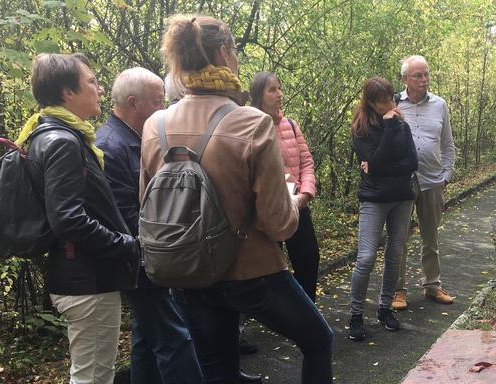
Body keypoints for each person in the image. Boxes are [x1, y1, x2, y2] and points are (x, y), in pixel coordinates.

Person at [140, 15, 333, 383]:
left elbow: (147, 205)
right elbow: (278, 224)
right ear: (224, 52)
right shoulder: (251, 123)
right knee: (317, 340)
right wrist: (293, 199)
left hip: (189, 272)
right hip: (251, 273)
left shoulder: (156, 125)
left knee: (217, 368)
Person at [18, 53, 140, 384]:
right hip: (86, 280)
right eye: (91, 82)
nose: (99, 89)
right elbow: (67, 218)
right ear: (66, 92)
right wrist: (124, 244)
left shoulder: (54, 135)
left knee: (96, 374)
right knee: (92, 377)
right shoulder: (62, 142)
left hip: (83, 277)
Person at [96, 67, 204, 384]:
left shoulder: (135, 138)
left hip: (149, 257)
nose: (165, 108)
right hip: (141, 261)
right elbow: (123, 216)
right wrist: (165, 242)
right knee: (175, 339)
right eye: (158, 101)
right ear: (133, 103)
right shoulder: (111, 147)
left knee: (146, 340)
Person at [347, 77, 417, 341]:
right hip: (373, 199)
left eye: (390, 98)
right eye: (383, 101)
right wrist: (387, 128)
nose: (389, 104)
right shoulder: (360, 128)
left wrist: (379, 167)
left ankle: (385, 308)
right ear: (371, 102)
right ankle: (355, 314)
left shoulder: (401, 123)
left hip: (402, 197)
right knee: (365, 257)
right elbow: (372, 160)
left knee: (395, 253)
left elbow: (411, 162)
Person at [248, 71, 320, 302]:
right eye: (272, 90)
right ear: (259, 96)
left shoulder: (290, 124)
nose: (279, 94)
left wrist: (305, 194)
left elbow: (306, 161)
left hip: (297, 204)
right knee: (272, 268)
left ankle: (308, 316)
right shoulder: (249, 127)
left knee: (309, 259)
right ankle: (281, 316)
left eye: (280, 88)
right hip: (268, 209)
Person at [393, 55, 456, 310]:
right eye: (418, 75)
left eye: (426, 74)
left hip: (432, 180)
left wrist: (447, 175)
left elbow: (447, 143)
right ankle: (397, 290)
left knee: (431, 238)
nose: (424, 80)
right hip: (402, 182)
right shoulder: (394, 103)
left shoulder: (440, 105)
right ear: (405, 79)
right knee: (399, 238)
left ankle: (432, 285)